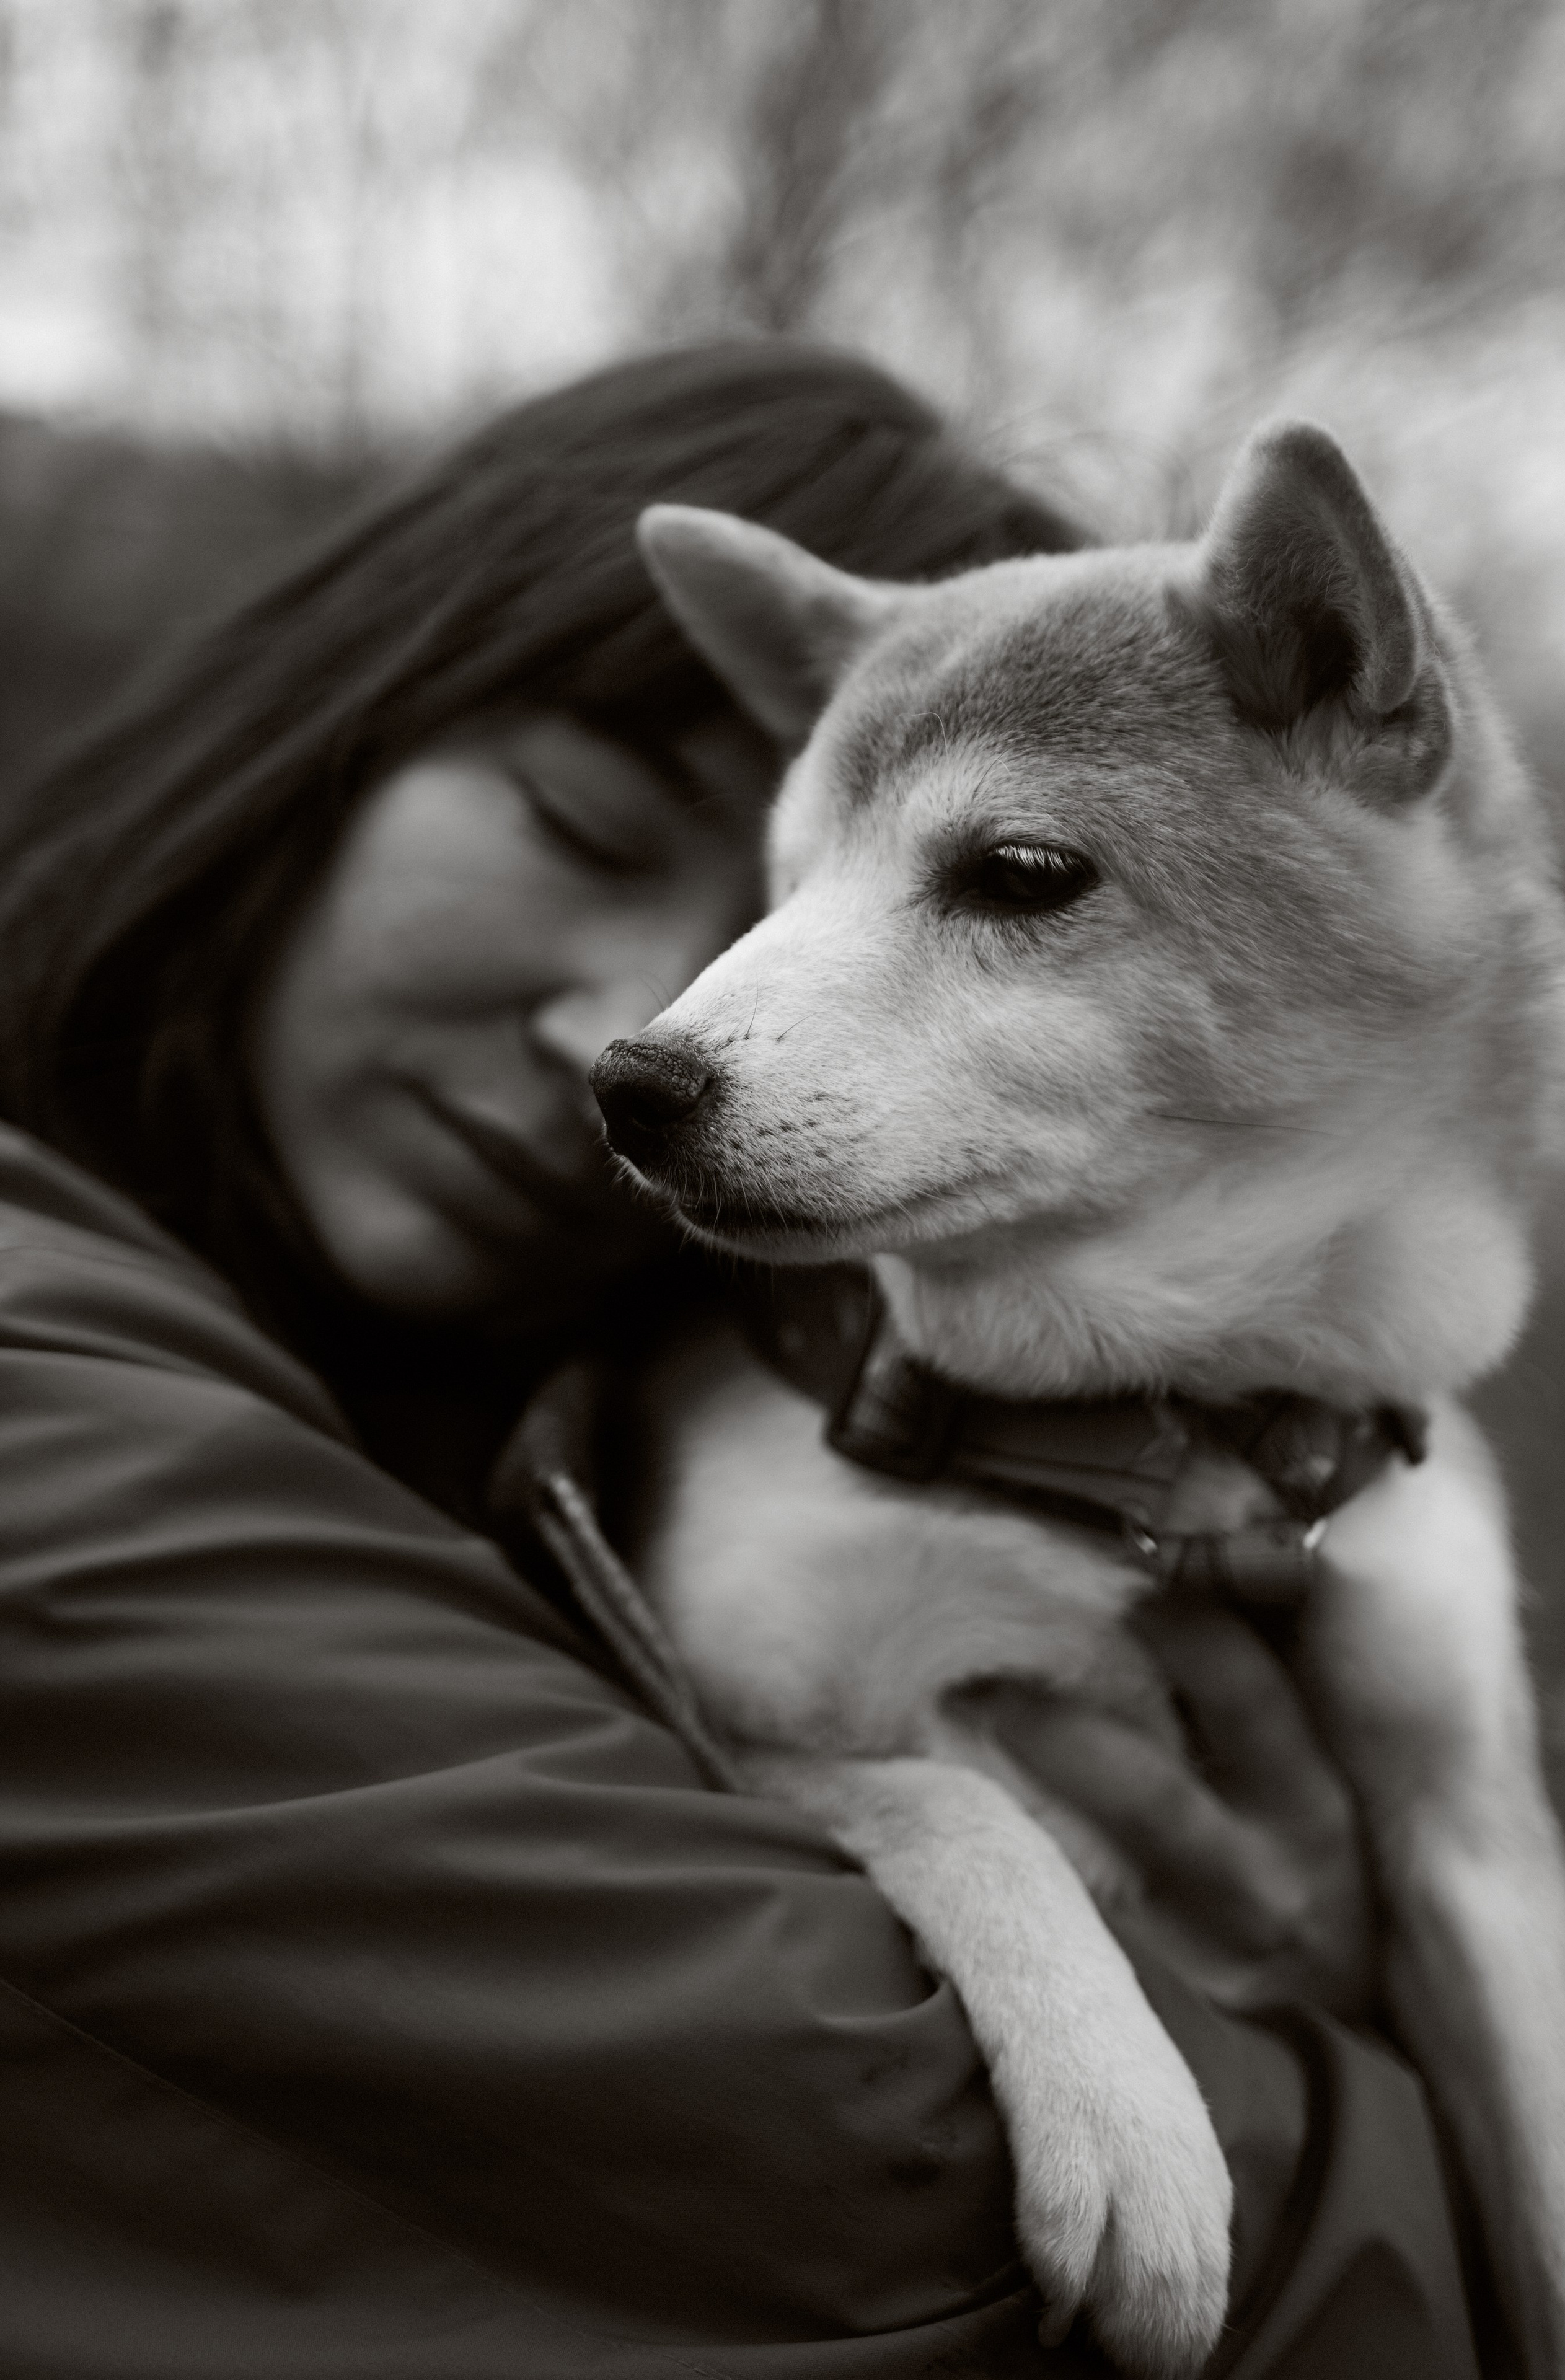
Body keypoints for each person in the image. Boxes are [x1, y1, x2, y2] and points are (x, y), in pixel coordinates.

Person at [0, 343, 1488, 2378]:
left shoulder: (623, 1419)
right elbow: (810, 2134)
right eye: (580, 818)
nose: (677, 1029)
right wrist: (1362, 2041)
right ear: (316, 713)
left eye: (769, 914)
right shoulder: (42, 1394)